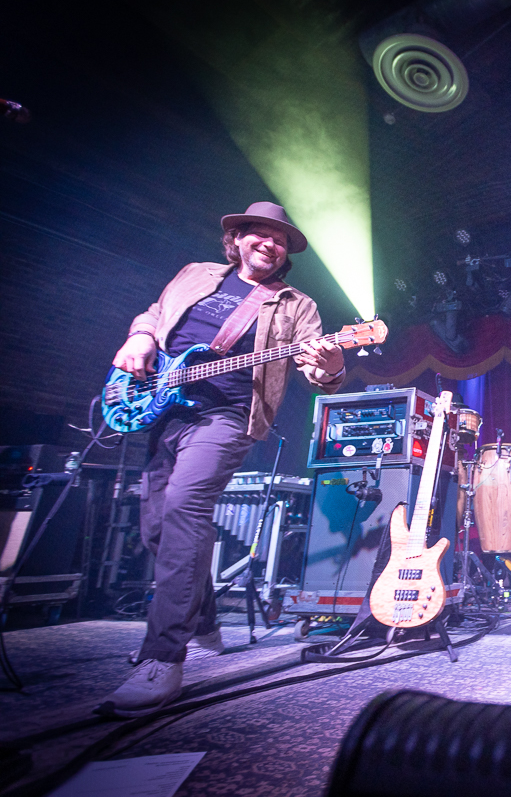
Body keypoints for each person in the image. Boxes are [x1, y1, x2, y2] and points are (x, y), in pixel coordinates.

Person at [97, 202, 346, 716]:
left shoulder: (296, 305)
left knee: (186, 507)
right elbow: (154, 314)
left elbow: (316, 370)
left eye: (279, 240)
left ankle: (163, 656)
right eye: (259, 233)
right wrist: (140, 336)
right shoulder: (195, 274)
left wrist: (333, 361)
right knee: (156, 527)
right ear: (237, 239)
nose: (269, 244)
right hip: (164, 407)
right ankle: (204, 623)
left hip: (229, 416)